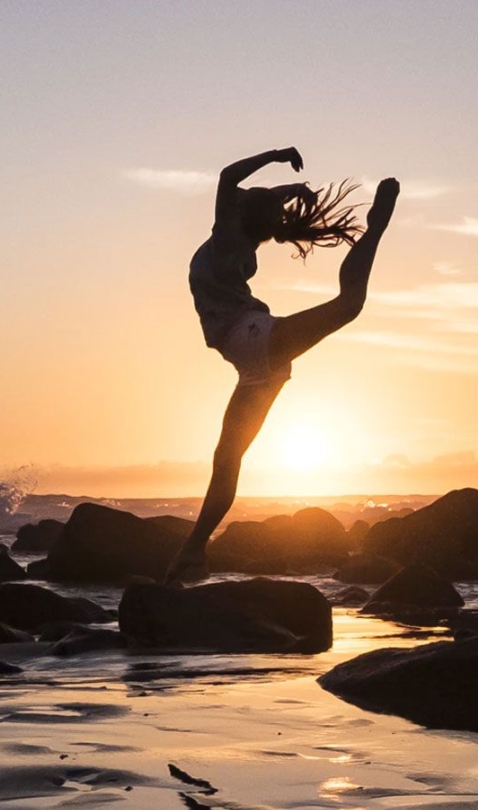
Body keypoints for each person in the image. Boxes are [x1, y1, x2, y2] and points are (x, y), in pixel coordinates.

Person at [166, 148, 398, 582]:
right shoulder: (241, 234)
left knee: (349, 305)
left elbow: (228, 175)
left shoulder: (227, 236)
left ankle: (377, 229)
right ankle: (191, 553)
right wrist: (290, 186)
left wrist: (277, 158)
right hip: (255, 364)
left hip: (252, 340)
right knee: (227, 458)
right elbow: (247, 192)